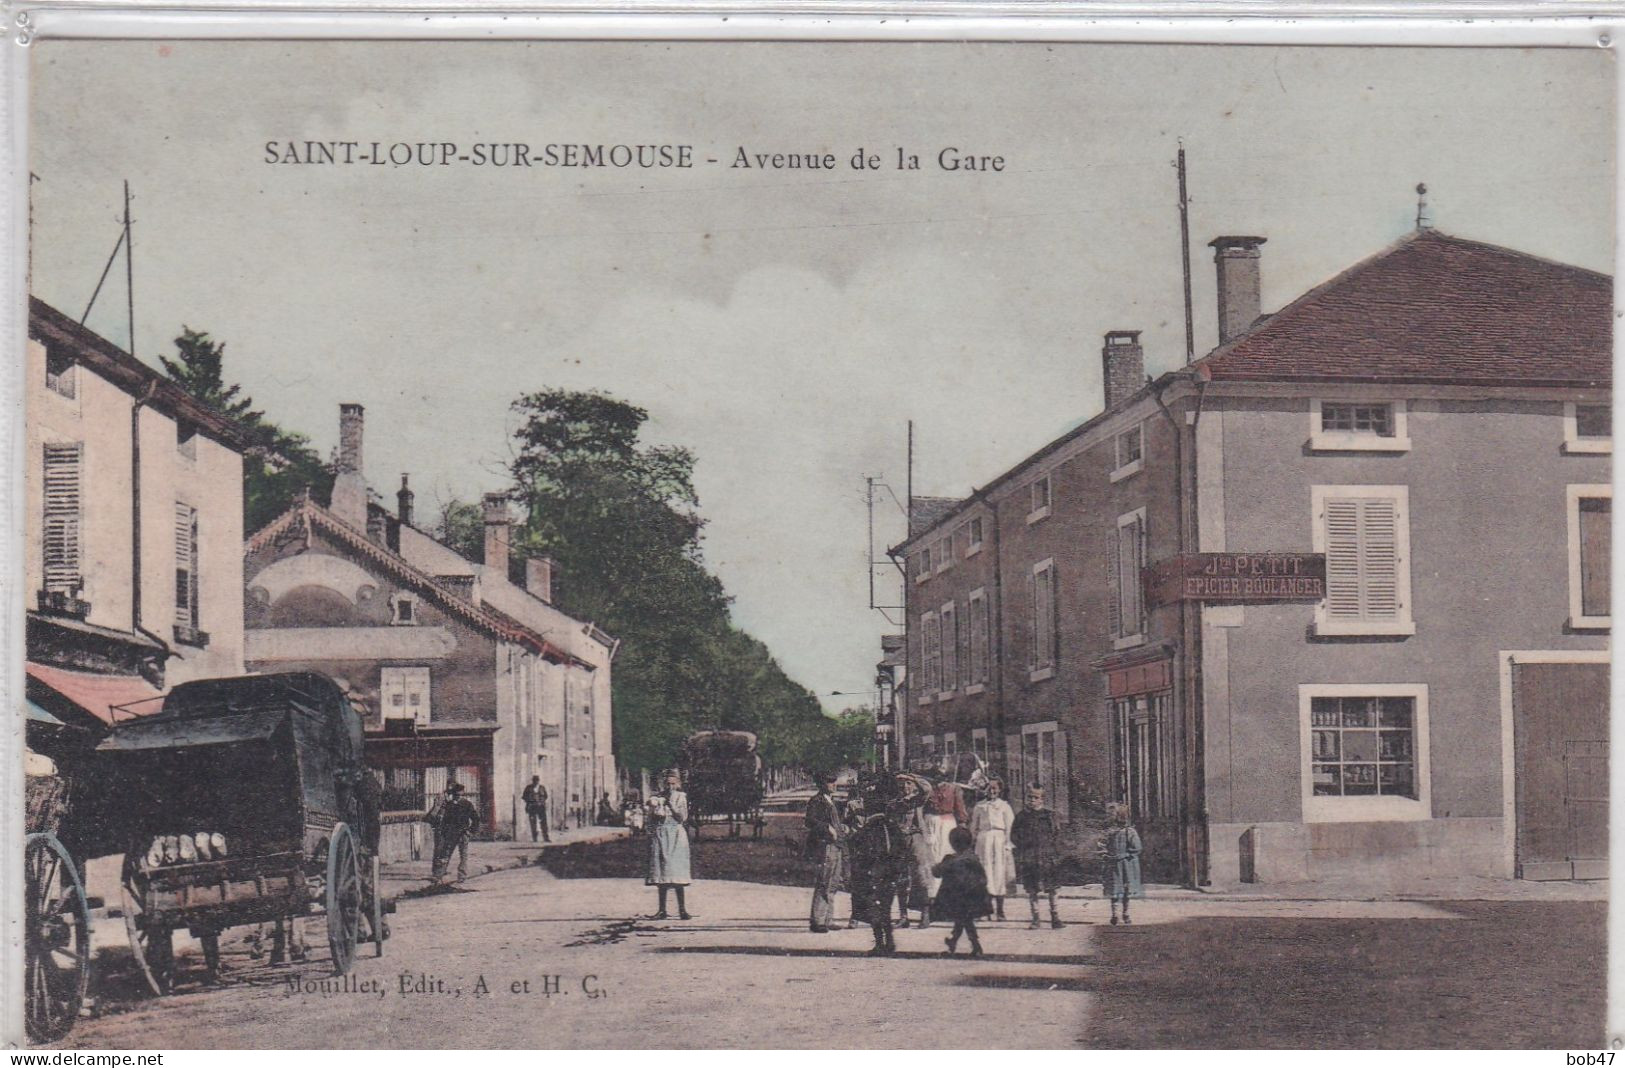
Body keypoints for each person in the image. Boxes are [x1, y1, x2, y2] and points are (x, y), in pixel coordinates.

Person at [931, 826, 991, 958]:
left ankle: (972, 945)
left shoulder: (949, 859)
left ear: (952, 843)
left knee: (963, 920)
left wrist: (933, 866)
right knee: (964, 920)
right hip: (972, 897)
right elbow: (983, 878)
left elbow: (937, 873)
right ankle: (956, 942)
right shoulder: (974, 859)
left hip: (954, 899)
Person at [1010, 784, 1064, 929]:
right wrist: (1023, 846)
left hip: (1047, 857)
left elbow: (1057, 835)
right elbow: (1014, 835)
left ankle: (1055, 917)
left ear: (1042, 799)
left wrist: (1055, 852)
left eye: (1036, 797)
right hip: (1030, 857)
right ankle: (1036, 918)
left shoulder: (1050, 816)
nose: (1032, 800)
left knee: (1052, 888)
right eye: (1030, 797)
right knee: (1032, 889)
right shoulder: (1022, 816)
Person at [646, 769, 692, 919]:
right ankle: (662, 909)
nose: (670, 787)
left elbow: (682, 818)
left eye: (673, 784)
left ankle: (682, 910)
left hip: (676, 835)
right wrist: (653, 810)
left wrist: (670, 805)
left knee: (676, 872)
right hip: (661, 833)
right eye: (667, 784)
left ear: (677, 784)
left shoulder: (681, 797)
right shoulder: (657, 798)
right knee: (662, 872)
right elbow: (652, 819)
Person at [804, 771, 844, 933]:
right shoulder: (816, 801)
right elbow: (810, 821)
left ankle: (828, 919)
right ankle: (817, 921)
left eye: (834, 782)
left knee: (833, 883)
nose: (833, 785)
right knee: (823, 882)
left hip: (836, 846)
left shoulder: (831, 801)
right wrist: (827, 827)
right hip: (824, 846)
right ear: (821, 784)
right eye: (830, 782)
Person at [970, 777, 1016, 920]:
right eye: (989, 788)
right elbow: (974, 827)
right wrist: (973, 842)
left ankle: (1000, 911)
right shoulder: (979, 806)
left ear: (1000, 790)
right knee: (984, 873)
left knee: (999, 873)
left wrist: (1008, 844)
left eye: (995, 788)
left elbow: (1010, 827)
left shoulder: (1004, 806)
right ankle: (985, 910)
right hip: (983, 841)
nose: (992, 791)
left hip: (999, 840)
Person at [896, 774, 936, 928]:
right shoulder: (896, 802)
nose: (905, 787)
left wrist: (911, 777)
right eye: (902, 784)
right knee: (901, 878)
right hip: (900, 841)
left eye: (908, 784)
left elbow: (927, 787)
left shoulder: (918, 800)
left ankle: (925, 915)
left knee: (921, 876)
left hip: (916, 839)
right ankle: (903, 916)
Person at [1100, 802, 1144, 925]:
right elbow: (1101, 845)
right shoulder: (1108, 832)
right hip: (1113, 864)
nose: (1109, 817)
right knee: (1114, 889)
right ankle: (1114, 915)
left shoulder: (1129, 832)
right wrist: (1104, 854)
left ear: (1120, 816)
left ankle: (1126, 913)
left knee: (1125, 890)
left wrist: (1124, 855)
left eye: (1112, 815)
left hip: (1126, 865)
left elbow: (1137, 848)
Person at [429, 781, 479, 884]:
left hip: (463, 833)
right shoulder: (449, 804)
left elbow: (475, 819)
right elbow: (445, 820)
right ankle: (438, 876)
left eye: (459, 795)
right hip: (451, 834)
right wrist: (445, 832)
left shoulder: (467, 804)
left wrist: (470, 831)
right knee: (446, 855)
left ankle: (462, 875)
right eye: (456, 795)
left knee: (463, 856)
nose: (457, 797)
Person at [522, 776, 551, 843]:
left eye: (537, 780)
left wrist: (541, 801)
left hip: (541, 807)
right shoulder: (528, 788)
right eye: (534, 780)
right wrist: (529, 802)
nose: (536, 782)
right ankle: (535, 838)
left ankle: (546, 837)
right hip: (532, 807)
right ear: (533, 781)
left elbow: (546, 796)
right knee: (533, 823)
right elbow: (524, 797)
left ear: (539, 781)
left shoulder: (542, 788)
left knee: (543, 822)